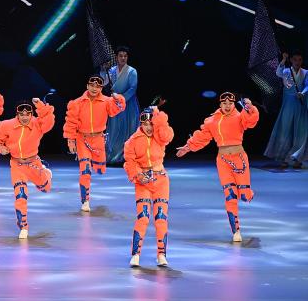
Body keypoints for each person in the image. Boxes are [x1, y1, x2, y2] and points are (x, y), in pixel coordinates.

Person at [176, 92, 259, 242]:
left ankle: (248, 192)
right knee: (230, 196)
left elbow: (252, 120)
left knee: (244, 196)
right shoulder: (213, 120)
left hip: (240, 160)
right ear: (220, 104)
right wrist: (188, 147)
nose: (227, 106)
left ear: (233, 104)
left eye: (230, 103)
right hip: (223, 162)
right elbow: (202, 137)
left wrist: (250, 106)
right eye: (224, 103)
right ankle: (236, 231)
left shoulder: (240, 116)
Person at [0, 99, 55, 239]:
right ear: (17, 114)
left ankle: (46, 174)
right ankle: (23, 226)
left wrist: (40, 105)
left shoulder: (38, 124)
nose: (25, 117)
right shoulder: (7, 125)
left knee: (45, 188)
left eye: (28, 114)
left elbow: (49, 120)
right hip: (17, 165)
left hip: (33, 163)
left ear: (31, 114)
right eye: (21, 114)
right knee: (20, 195)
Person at [63, 75, 126, 212]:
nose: (94, 88)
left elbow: (119, 108)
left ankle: (99, 166)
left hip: (98, 140)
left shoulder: (107, 101)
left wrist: (118, 98)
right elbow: (71, 122)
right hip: (82, 139)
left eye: (98, 86)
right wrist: (70, 140)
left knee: (100, 169)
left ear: (101, 88)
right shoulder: (77, 103)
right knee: (85, 171)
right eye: (92, 85)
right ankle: (85, 201)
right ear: (87, 86)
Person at [123, 106, 173, 268]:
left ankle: (161, 254)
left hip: (161, 181)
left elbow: (168, 135)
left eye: (151, 124)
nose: (149, 127)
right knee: (143, 217)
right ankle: (135, 255)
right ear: (141, 125)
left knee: (161, 218)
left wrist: (158, 115)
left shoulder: (160, 135)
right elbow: (129, 163)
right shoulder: (132, 141)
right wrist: (139, 175)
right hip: (143, 182)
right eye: (145, 124)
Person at [264, 50, 308, 168]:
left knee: (301, 132)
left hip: (300, 105)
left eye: (299, 60)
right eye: (295, 60)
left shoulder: (305, 72)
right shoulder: (286, 71)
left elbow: (307, 85)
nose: (297, 62)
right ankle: (283, 158)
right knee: (285, 130)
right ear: (291, 60)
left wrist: (303, 93)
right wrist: (283, 59)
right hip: (288, 104)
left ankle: (297, 159)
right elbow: (278, 72)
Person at [104, 46, 139, 164]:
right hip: (114, 105)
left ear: (127, 57)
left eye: (125, 56)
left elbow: (133, 88)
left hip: (128, 104)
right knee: (114, 129)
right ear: (116, 57)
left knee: (129, 129)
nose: (123, 58)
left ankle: (126, 157)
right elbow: (104, 83)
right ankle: (113, 157)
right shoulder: (111, 71)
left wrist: (121, 99)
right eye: (120, 56)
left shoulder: (132, 71)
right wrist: (103, 71)